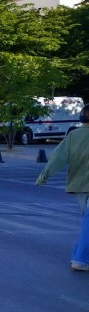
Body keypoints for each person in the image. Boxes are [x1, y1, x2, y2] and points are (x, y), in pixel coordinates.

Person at [36, 105, 89, 271]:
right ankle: (80, 258)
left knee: (87, 220)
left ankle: (81, 258)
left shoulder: (73, 136)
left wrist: (44, 175)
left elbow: (58, 158)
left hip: (79, 186)